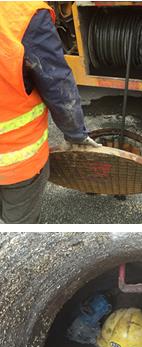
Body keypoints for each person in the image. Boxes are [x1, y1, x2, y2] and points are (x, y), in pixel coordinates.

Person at [0, 2, 99, 224]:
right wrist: (76, 135)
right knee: (18, 229)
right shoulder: (24, 13)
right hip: (15, 163)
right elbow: (57, 85)